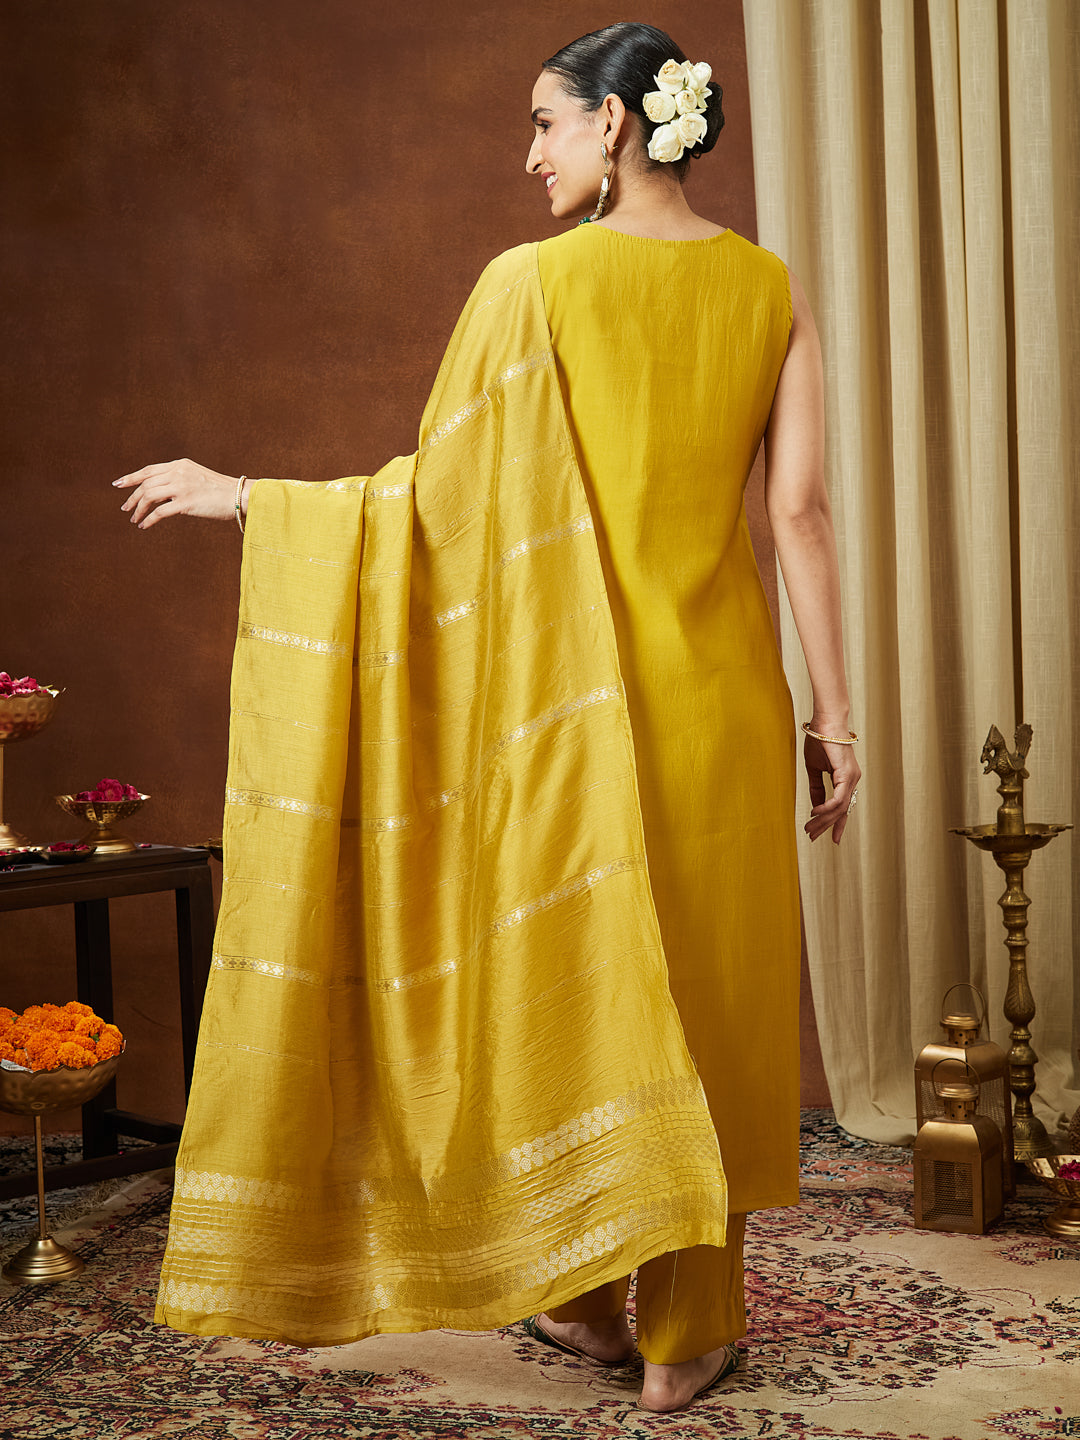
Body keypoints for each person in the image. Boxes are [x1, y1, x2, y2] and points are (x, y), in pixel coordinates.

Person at [115, 22, 858, 1415]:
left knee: (578, 981)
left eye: (545, 124)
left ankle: (577, 1299)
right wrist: (838, 715)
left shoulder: (531, 285)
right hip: (723, 707)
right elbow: (800, 516)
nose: (530, 156)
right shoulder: (768, 288)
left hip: (571, 716)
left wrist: (251, 500)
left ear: (616, 125)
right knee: (707, 999)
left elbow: (438, 507)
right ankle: (684, 1333)